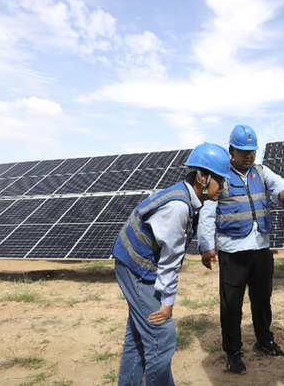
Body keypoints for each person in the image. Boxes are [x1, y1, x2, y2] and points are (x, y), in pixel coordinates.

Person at [112, 142, 230, 386]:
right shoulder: (178, 207)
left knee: (139, 334)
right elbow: (170, 261)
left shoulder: (187, 197)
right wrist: (167, 303)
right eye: (220, 180)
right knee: (161, 334)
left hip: (134, 261)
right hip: (136, 266)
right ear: (201, 178)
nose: (223, 186)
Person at [198, 125, 284, 375]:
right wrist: (206, 247)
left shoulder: (261, 172)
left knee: (262, 301)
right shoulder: (220, 176)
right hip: (233, 252)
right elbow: (207, 214)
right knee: (231, 306)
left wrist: (283, 192)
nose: (248, 156)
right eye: (243, 152)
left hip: (261, 249)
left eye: (252, 152)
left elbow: (278, 184)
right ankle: (233, 353)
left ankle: (264, 341)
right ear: (231, 150)